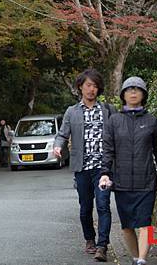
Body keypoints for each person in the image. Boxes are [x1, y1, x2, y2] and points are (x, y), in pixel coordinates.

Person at [99, 77, 157, 265]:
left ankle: (142, 261)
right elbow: (108, 150)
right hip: (122, 183)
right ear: (123, 94)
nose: (133, 92)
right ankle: (136, 257)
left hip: (146, 181)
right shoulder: (114, 121)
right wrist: (105, 173)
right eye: (129, 89)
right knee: (127, 226)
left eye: (137, 89)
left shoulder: (152, 121)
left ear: (143, 94)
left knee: (145, 223)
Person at [53, 69, 114, 262]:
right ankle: (90, 239)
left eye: (95, 86)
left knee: (103, 205)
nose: (91, 89)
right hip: (81, 168)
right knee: (85, 207)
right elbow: (62, 134)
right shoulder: (72, 111)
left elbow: (117, 134)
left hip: (103, 168)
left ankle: (102, 245)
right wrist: (57, 147)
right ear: (80, 87)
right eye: (88, 85)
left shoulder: (107, 110)